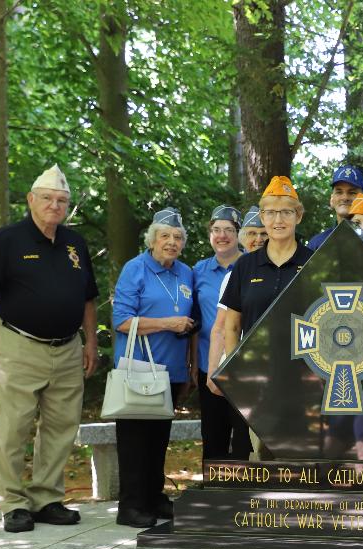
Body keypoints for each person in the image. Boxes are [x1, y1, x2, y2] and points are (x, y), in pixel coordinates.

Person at [0, 164, 98, 533]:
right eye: (48, 199)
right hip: (19, 346)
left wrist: (91, 343)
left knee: (61, 426)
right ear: (31, 200)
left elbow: (89, 299)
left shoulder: (76, 243)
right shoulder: (8, 240)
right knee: (15, 427)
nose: (55, 205)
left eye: (62, 200)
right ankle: (12, 502)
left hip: (69, 348)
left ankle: (46, 498)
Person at [112, 208, 195, 528]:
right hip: (139, 369)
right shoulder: (136, 269)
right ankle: (130, 506)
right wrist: (167, 323)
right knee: (135, 441)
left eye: (177, 238)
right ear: (152, 240)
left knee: (158, 439)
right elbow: (121, 321)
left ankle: (153, 496)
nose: (171, 242)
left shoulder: (185, 273)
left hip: (171, 372)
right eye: (165, 236)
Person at [221, 176, 314, 356]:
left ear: (299, 216)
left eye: (286, 212)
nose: (278, 220)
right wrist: (233, 375)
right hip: (253, 372)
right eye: (271, 212)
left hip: (305, 374)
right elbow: (232, 326)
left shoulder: (314, 262)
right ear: (262, 217)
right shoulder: (245, 265)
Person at [192, 206, 250, 460]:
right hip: (210, 366)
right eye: (216, 230)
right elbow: (195, 320)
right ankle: (213, 493)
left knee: (244, 438)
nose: (222, 235)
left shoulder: (252, 267)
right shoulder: (197, 272)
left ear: (238, 234)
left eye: (228, 230)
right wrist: (193, 363)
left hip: (246, 368)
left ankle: (244, 495)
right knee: (213, 436)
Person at [307, 163, 363, 250]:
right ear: (331, 200)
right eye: (339, 192)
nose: (345, 197)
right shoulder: (317, 243)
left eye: (352, 192)